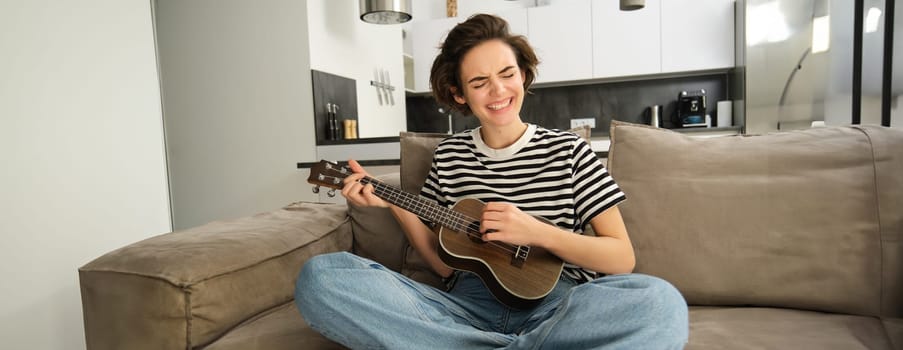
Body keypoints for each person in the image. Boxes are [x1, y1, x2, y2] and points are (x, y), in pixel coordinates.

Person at [295, 13, 688, 349]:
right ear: (460, 94)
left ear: (524, 75)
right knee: (320, 279)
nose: (498, 90)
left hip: (559, 308)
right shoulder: (449, 157)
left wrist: (537, 232)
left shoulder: (570, 151)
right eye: (480, 82)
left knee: (660, 302)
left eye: (507, 74)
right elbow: (444, 266)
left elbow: (622, 258)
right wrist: (394, 203)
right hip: (463, 308)